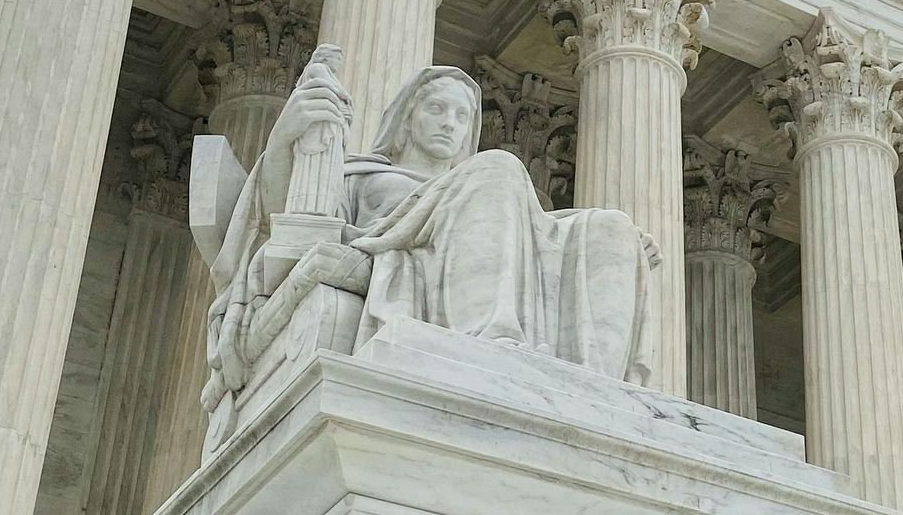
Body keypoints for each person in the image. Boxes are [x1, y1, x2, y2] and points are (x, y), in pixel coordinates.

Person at [202, 61, 654, 428]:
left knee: (611, 224)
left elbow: (536, 231)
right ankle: (487, 344)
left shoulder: (481, 190)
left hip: (466, 239)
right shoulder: (363, 174)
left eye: (461, 117)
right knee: (498, 166)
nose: (450, 124)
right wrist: (285, 137)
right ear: (407, 116)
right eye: (437, 109)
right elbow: (291, 226)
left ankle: (598, 396)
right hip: (397, 247)